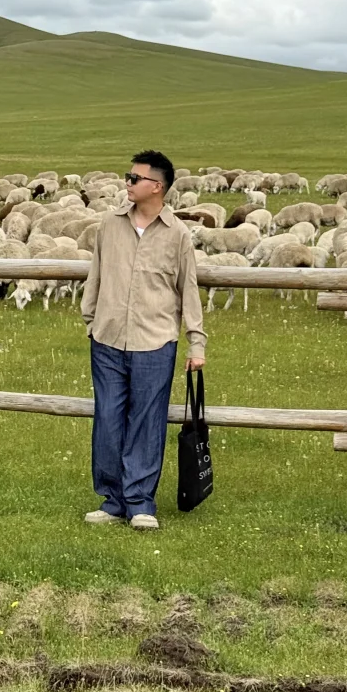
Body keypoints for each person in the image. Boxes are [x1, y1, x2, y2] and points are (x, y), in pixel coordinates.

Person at [79, 149, 206, 531]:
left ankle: (140, 503)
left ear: (157, 187)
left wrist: (196, 343)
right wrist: (91, 320)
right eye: (128, 177)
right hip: (108, 338)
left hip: (155, 341)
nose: (128, 183)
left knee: (147, 423)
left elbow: (189, 289)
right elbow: (96, 274)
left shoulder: (177, 234)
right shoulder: (110, 225)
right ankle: (112, 499)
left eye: (134, 178)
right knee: (107, 420)